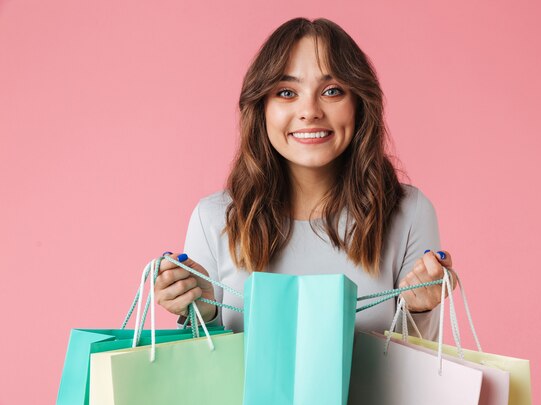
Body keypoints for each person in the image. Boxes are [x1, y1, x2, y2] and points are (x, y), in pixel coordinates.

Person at [154, 17, 457, 340]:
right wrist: (201, 309)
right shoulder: (212, 219)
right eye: (286, 92)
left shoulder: (409, 212)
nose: (310, 110)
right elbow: (205, 371)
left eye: (331, 91)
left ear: (358, 104)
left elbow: (418, 370)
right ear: (262, 108)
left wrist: (419, 309)